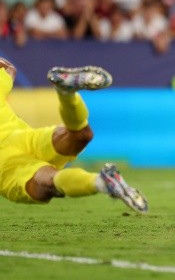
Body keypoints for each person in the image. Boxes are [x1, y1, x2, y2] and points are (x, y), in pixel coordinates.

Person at [0, 58, 148, 214]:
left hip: (6, 163)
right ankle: (67, 94)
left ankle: (102, 183)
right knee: (81, 135)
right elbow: (10, 70)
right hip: (25, 138)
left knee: (49, 183)